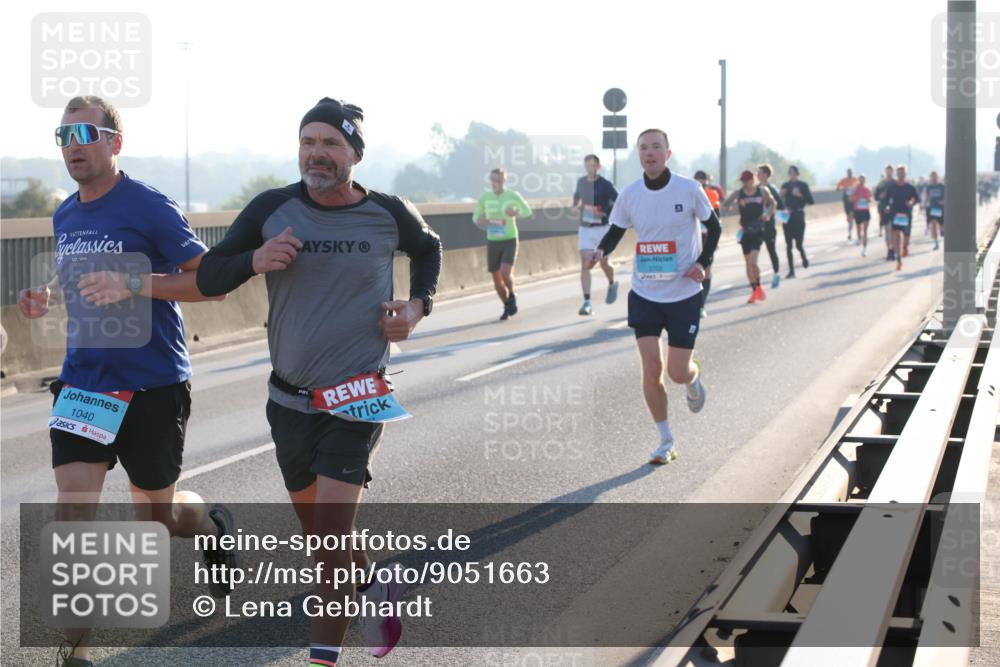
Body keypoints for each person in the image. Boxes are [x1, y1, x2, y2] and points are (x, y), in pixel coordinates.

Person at [196, 97, 441, 667]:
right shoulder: (271, 208)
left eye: (331, 143)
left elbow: (429, 249)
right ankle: (376, 582)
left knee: (328, 545)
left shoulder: (387, 211)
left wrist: (416, 307)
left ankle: (322, 658)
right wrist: (254, 259)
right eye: (309, 141)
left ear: (354, 152)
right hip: (287, 401)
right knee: (324, 540)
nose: (317, 153)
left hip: (357, 396)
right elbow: (210, 275)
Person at [17, 96, 238, 667]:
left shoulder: (149, 206)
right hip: (85, 384)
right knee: (73, 509)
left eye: (86, 131)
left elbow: (208, 282)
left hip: (152, 384)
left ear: (115, 141)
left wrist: (135, 284)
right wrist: (45, 301)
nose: (72, 143)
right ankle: (76, 645)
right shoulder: (65, 214)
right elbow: (88, 289)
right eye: (63, 134)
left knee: (158, 520)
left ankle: (212, 524)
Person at [589, 129, 721, 465]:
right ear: (639, 155)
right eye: (644, 148)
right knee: (651, 366)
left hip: (683, 294)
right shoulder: (630, 194)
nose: (650, 153)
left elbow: (715, 227)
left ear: (668, 153)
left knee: (677, 372)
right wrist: (601, 249)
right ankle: (665, 440)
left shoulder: (689, 189)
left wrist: (702, 263)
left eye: (656, 147)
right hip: (645, 292)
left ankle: (693, 377)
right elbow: (617, 229)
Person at [472, 167, 532, 320]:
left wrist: (516, 213)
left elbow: (527, 211)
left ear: (504, 180)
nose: (495, 183)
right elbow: (476, 216)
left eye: (498, 180)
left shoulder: (512, 196)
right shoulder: (486, 197)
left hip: (510, 239)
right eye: (493, 180)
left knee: (505, 272)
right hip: (493, 241)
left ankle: (512, 294)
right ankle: (507, 305)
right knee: (497, 279)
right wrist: (481, 220)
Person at [572, 154, 619, 315]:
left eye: (593, 166)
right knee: (585, 263)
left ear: (598, 167)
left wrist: (605, 212)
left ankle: (612, 282)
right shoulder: (581, 182)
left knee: (603, 263)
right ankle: (587, 302)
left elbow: (619, 202)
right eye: (587, 166)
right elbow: (577, 198)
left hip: (602, 228)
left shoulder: (605, 185)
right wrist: (576, 207)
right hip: (585, 228)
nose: (590, 169)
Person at [723, 170, 776, 304]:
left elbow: (773, 204)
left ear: (753, 179)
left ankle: (758, 286)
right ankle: (755, 291)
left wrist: (768, 215)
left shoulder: (762, 191)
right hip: (745, 231)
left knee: (753, 261)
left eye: (747, 180)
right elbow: (725, 206)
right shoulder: (738, 193)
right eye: (743, 181)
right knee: (747, 263)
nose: (745, 183)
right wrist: (737, 207)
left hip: (758, 230)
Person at [693, 170, 720, 316]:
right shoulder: (689, 192)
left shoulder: (711, 194)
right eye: (697, 178)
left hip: (707, 236)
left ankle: (702, 305)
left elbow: (717, 219)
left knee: (706, 271)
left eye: (701, 179)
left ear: (706, 181)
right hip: (692, 239)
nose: (699, 181)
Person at [780, 165, 814, 278]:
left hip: (799, 216)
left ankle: (804, 258)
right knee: (788, 245)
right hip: (787, 217)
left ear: (797, 174)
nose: (791, 175)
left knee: (798, 244)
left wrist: (799, 195)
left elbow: (811, 201)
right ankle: (791, 270)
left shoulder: (803, 185)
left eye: (793, 172)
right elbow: (779, 200)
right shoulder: (785, 185)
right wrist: (782, 194)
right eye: (790, 173)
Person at [756, 163, 785, 288]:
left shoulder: (771, 188)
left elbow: (780, 204)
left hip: (768, 225)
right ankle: (755, 279)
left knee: (771, 250)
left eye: (760, 172)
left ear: (766, 175)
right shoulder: (755, 188)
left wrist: (768, 212)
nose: (757, 174)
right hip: (756, 226)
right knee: (753, 253)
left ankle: (776, 274)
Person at [886, 164, 919, 271]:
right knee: (895, 238)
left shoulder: (910, 187)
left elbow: (916, 199)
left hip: (906, 216)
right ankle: (898, 260)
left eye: (902, 172)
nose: (900, 174)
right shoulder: (892, 187)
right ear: (897, 174)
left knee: (906, 238)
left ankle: (905, 247)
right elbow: (886, 200)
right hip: (895, 215)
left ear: (905, 174)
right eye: (899, 172)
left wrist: (911, 202)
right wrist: (887, 207)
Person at [873, 164, 895, 258]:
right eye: (887, 170)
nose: (889, 172)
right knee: (887, 231)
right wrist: (880, 196)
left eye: (890, 170)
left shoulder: (895, 183)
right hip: (884, 209)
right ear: (885, 171)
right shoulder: (881, 183)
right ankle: (889, 250)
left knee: (893, 231)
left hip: (895, 209)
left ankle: (893, 248)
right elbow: (875, 196)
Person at [851, 175, 873, 256]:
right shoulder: (855, 189)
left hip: (865, 210)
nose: (862, 181)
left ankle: (864, 249)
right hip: (857, 211)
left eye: (863, 179)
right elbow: (851, 199)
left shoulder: (867, 189)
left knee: (865, 230)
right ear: (858, 180)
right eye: (860, 179)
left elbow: (870, 198)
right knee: (858, 228)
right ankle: (859, 238)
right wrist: (857, 197)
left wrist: (867, 200)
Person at [923, 171, 945, 251]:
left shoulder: (942, 186)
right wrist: (923, 204)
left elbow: (947, 196)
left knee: (942, 225)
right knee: (933, 224)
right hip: (932, 208)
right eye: (932, 177)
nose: (933, 178)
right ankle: (936, 243)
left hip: (941, 208)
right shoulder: (929, 187)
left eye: (935, 176)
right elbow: (927, 197)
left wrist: (943, 201)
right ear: (930, 178)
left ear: (937, 177)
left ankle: (942, 230)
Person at [836, 168, 859, 242]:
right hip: (846, 200)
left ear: (852, 173)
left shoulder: (855, 179)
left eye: (850, 172)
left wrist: (855, 189)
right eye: (848, 172)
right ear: (847, 173)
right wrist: (843, 188)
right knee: (849, 217)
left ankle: (850, 233)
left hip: (854, 200)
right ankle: (850, 229)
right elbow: (837, 188)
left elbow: (859, 187)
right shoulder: (844, 180)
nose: (849, 174)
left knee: (852, 216)